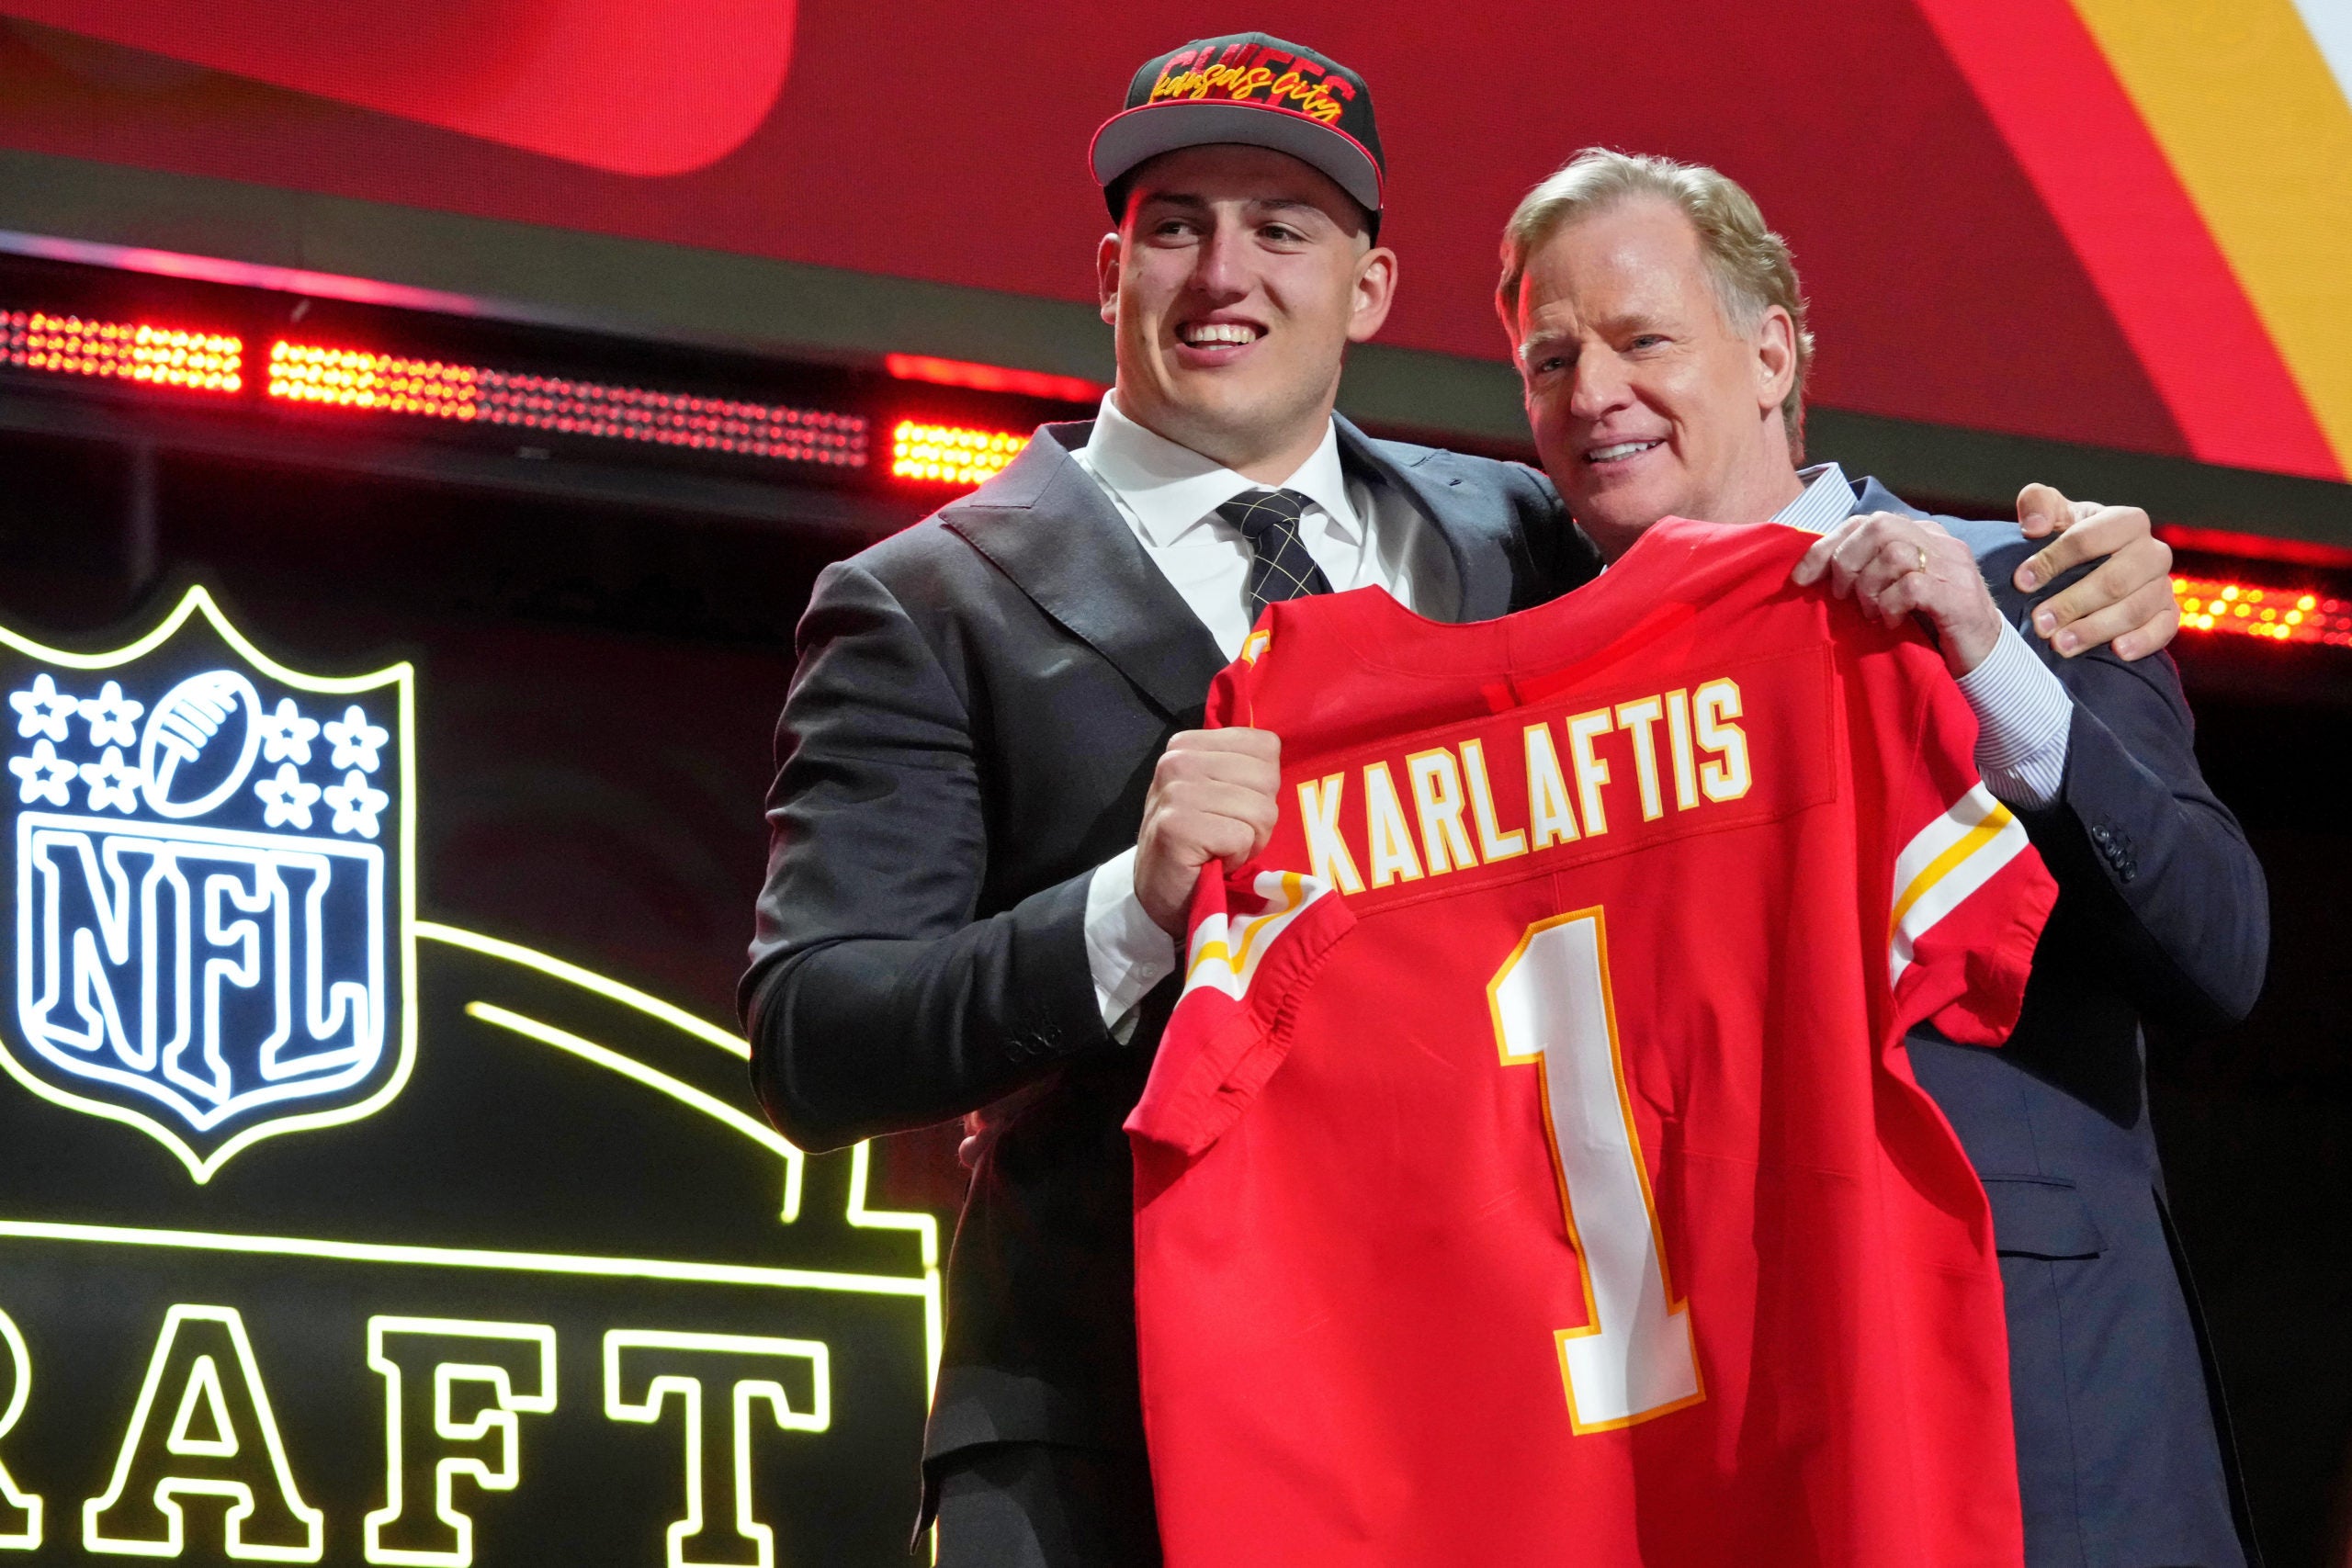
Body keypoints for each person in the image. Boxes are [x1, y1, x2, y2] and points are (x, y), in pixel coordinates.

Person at [741, 36, 2185, 1566]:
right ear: (1109, 270)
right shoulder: (919, 602)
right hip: (1107, 1437)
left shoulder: (1519, 533)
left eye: (1282, 228)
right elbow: (815, 1034)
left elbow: (1772, 547)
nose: (1224, 270)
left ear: (1367, 289)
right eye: (1177, 226)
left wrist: (2053, 575)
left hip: (1488, 1427)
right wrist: (1129, 908)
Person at [1494, 147, 2269, 1568]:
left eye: (1643, 337)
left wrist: (1984, 666)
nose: (1593, 390)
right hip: (1723, 1443)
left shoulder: (2030, 585)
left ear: (1774, 346)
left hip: (2035, 1419)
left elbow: (2217, 946)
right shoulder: (1544, 701)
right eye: (1551, 361)